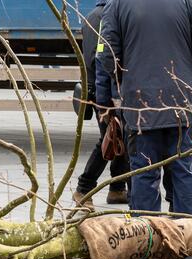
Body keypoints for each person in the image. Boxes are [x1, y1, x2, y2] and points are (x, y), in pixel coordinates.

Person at [100, 0, 192, 215]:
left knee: (144, 172)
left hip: (139, 106)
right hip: (180, 102)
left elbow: (106, 56)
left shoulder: (116, 4)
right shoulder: (189, 2)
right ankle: (189, 233)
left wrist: (129, 79)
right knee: (183, 170)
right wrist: (183, 77)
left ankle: (146, 238)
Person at [72, 0, 130, 209]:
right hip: (105, 89)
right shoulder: (104, 16)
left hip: (102, 88)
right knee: (110, 139)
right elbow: (100, 59)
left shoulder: (96, 15)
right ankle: (83, 190)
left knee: (119, 138)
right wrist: (104, 99)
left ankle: (117, 188)